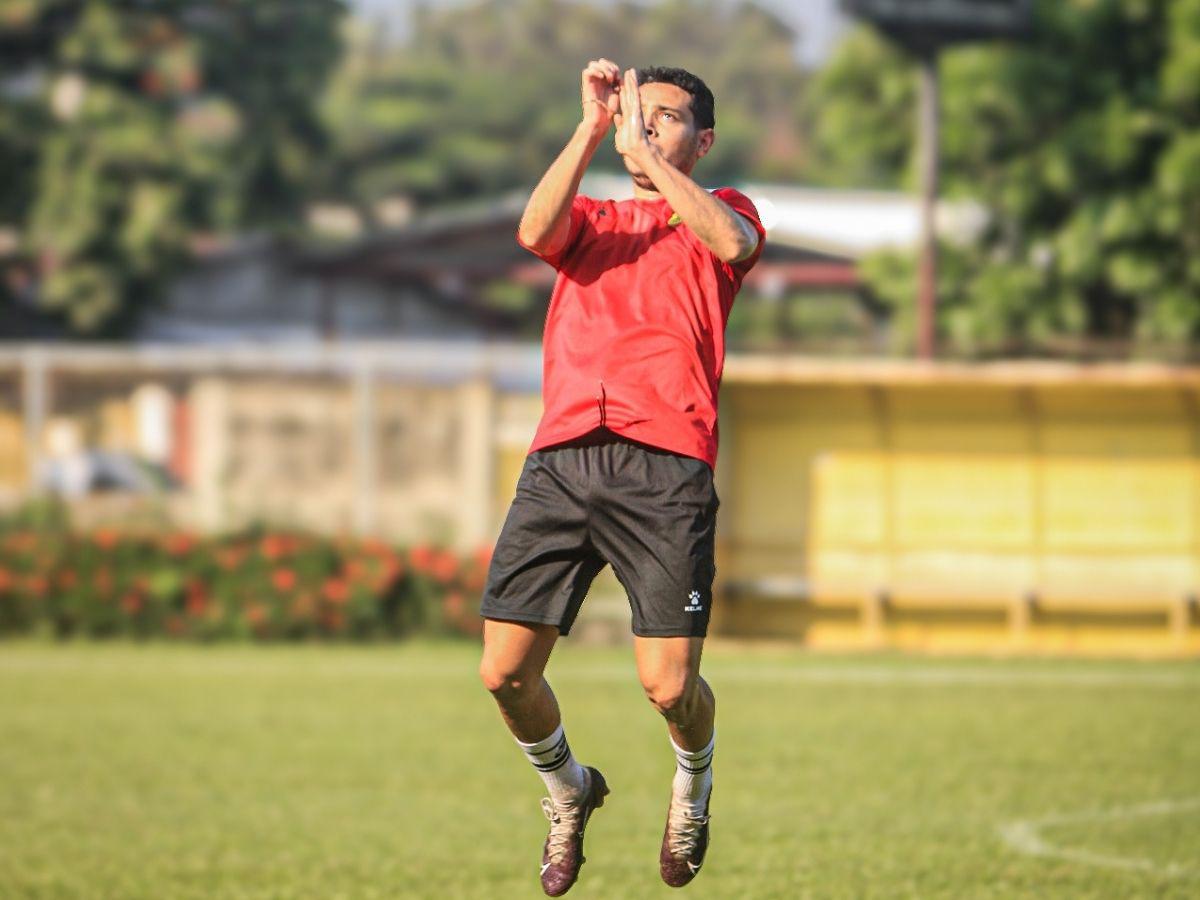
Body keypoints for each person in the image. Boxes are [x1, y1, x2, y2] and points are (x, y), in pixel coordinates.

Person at [478, 58, 765, 896]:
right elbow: (534, 233)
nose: (645, 127)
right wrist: (590, 128)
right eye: (638, 113)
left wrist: (658, 164)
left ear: (701, 139)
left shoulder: (726, 213)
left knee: (668, 686)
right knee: (503, 673)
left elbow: (735, 244)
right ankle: (568, 788)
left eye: (665, 117)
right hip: (564, 456)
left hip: (666, 465)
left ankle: (694, 779)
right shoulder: (594, 215)